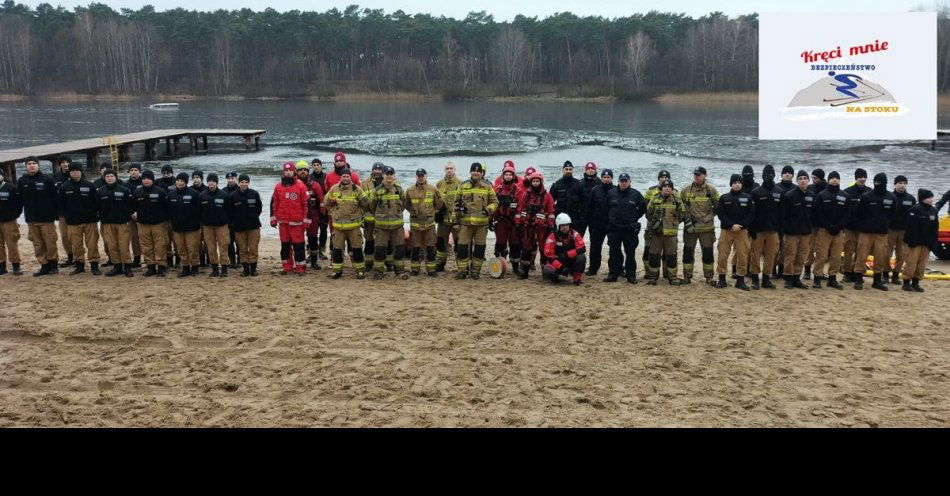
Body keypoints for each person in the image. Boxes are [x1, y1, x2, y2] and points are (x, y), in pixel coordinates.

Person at [853, 172, 897, 291]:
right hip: (866, 232)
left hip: (882, 232)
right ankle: (858, 279)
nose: (878, 184)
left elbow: (893, 214)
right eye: (876, 182)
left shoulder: (891, 197)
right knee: (861, 255)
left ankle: (877, 281)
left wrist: (886, 224)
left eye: (880, 182)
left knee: (880, 256)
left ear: (885, 183)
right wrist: (863, 225)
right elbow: (858, 213)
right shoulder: (866, 196)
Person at [454, 162, 498, 279]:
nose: (476, 173)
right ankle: (463, 271)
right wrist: (455, 221)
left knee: (479, 249)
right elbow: (456, 204)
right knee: (462, 248)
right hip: (465, 224)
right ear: (470, 172)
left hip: (481, 224)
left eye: (478, 172)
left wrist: (489, 209)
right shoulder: (463, 186)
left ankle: (475, 271)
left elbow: (495, 202)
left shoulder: (487, 186)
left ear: (481, 173)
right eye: (473, 171)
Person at [18, 157, 60, 276]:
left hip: (47, 218)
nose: (32, 165)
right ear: (26, 166)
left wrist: (56, 214)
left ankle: (53, 265)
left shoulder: (47, 179)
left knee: (50, 242)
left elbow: (55, 198)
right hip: (31, 218)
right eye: (29, 164)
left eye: (34, 163)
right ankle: (44, 265)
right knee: (37, 244)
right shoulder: (22, 181)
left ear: (38, 165)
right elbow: (19, 200)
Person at [325, 167, 368, 279]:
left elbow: (365, 204)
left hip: (354, 226)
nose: (345, 178)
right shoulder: (334, 189)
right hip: (338, 226)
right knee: (337, 249)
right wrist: (333, 212)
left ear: (350, 177)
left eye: (347, 176)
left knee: (357, 248)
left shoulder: (357, 189)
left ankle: (360, 271)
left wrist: (359, 214)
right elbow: (326, 202)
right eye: (343, 176)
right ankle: (337, 271)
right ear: (341, 177)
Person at [58, 161, 100, 275]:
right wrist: (67, 217)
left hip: (89, 221)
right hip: (73, 222)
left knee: (92, 244)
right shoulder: (64, 187)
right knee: (76, 245)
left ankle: (94, 265)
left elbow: (97, 203)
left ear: (81, 171)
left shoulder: (90, 185)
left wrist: (95, 215)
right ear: (69, 173)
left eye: (77, 170)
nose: (75, 173)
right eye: (72, 171)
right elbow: (61, 205)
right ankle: (79, 266)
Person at [603, 172, 645, 283]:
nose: (624, 183)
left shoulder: (636, 194)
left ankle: (631, 275)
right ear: (618, 182)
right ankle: (613, 274)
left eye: (626, 181)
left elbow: (642, 208)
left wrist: (634, 217)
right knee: (613, 253)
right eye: (622, 181)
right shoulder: (611, 193)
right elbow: (605, 209)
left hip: (629, 229)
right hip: (614, 229)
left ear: (630, 182)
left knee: (630, 253)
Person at [271, 162, 312, 275]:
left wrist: (306, 220)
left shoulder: (300, 185)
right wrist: (273, 218)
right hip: (283, 222)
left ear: (294, 171)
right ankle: (287, 267)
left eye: (290, 170)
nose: (288, 172)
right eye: (286, 170)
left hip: (297, 222)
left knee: (298, 245)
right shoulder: (278, 186)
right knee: (285, 246)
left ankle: (300, 268)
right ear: (283, 172)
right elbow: (274, 203)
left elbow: (307, 204)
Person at [680, 166, 719, 285]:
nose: (696, 177)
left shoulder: (711, 190)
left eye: (699, 174)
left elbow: (718, 207)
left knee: (707, 254)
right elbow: (681, 208)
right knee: (687, 253)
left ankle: (709, 277)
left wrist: (707, 218)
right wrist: (688, 221)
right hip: (690, 228)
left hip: (706, 229)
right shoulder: (686, 190)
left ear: (704, 175)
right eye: (695, 174)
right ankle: (687, 277)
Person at [368, 166, 408, 279]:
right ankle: (379, 271)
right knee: (380, 249)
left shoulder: (399, 190)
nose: (389, 176)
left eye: (391, 174)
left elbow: (404, 204)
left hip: (397, 226)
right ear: (383, 176)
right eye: (387, 174)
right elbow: (371, 208)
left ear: (394, 176)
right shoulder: (376, 191)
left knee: (399, 249)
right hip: (381, 227)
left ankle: (399, 270)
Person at [715, 174, 754, 290]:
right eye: (735, 182)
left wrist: (740, 225)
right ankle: (722, 279)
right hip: (727, 230)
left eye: (739, 183)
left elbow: (751, 214)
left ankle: (740, 280)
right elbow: (720, 214)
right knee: (722, 255)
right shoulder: (724, 197)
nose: (737, 184)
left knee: (742, 256)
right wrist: (731, 225)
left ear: (741, 184)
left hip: (742, 231)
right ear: (731, 184)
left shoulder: (748, 198)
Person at [811, 171, 849, 289]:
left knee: (836, 256)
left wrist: (839, 226)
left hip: (838, 231)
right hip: (824, 230)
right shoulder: (822, 195)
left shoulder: (845, 195)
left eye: (837, 178)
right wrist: (828, 225)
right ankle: (817, 278)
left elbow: (847, 214)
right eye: (832, 178)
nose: (835, 180)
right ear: (827, 180)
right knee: (821, 255)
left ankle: (832, 278)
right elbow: (817, 213)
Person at [645, 178, 685, 285]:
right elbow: (649, 213)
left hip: (671, 235)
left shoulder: (677, 201)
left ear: (672, 189)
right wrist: (655, 225)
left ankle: (672, 277)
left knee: (671, 256)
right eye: (665, 187)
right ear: (661, 188)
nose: (667, 188)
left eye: (669, 187)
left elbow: (682, 215)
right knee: (654, 255)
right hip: (656, 234)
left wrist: (673, 223)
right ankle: (653, 278)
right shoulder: (654, 200)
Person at [516, 171, 554, 279]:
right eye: (534, 181)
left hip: (542, 228)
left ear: (541, 182)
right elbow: (520, 209)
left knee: (543, 249)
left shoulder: (547, 196)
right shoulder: (525, 195)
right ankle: (524, 271)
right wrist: (518, 223)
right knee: (527, 248)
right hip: (528, 226)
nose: (536, 183)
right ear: (531, 182)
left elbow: (551, 212)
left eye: (537, 181)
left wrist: (550, 225)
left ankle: (545, 272)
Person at [749, 165, 782, 289]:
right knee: (755, 255)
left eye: (771, 174)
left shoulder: (779, 192)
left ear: (774, 175)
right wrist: (752, 229)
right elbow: (752, 213)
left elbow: (782, 213)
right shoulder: (756, 192)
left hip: (773, 231)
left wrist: (780, 230)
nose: (769, 176)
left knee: (771, 256)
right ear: (762, 176)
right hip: (758, 230)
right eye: (767, 174)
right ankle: (755, 279)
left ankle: (766, 278)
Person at [405, 168, 443, 276]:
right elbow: (406, 205)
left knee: (430, 247)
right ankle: (415, 270)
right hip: (416, 225)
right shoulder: (409, 190)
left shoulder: (433, 189)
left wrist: (431, 213)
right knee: (415, 247)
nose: (420, 177)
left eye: (422, 175)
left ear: (426, 176)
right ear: (416, 177)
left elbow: (439, 204)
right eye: (418, 176)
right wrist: (413, 212)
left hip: (429, 225)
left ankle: (431, 270)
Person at [97, 169, 134, 277]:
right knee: (112, 245)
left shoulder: (125, 190)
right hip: (107, 223)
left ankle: (127, 267)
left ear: (116, 177)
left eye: (111, 176)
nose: (109, 178)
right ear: (104, 178)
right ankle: (117, 266)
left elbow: (130, 205)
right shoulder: (100, 191)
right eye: (107, 176)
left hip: (122, 223)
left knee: (124, 245)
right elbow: (97, 206)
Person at [780, 170, 815, 289]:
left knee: (802, 256)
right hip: (791, 233)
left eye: (805, 178)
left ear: (808, 181)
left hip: (806, 232)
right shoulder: (789, 195)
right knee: (790, 256)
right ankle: (788, 279)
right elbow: (783, 215)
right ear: (797, 181)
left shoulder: (811, 195)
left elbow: (815, 214)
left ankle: (796, 278)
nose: (803, 180)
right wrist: (786, 229)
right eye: (800, 178)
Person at [132, 169, 170, 277]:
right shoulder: (137, 192)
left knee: (160, 245)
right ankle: (151, 267)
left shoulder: (160, 192)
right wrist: (133, 214)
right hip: (143, 224)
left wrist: (164, 220)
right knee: (146, 246)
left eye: (148, 178)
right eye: (144, 178)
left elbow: (167, 207)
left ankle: (161, 267)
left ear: (152, 179)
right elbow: (133, 206)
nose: (146, 180)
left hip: (158, 224)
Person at [901, 189, 938, 292]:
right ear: (922, 198)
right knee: (911, 263)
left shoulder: (933, 210)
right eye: (928, 198)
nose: (931, 199)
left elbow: (935, 227)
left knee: (921, 265)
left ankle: (916, 282)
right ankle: (906, 283)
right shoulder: (915, 209)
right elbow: (910, 227)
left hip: (926, 243)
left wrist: (933, 242)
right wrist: (911, 241)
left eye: (931, 197)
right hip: (915, 243)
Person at [168, 172, 202, 277]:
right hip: (177, 227)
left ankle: (195, 267)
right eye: (178, 180)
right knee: (181, 249)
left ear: (186, 182)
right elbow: (168, 210)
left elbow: (199, 210)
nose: (179, 182)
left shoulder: (194, 194)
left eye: (182, 181)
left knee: (192, 248)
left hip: (192, 228)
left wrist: (196, 223)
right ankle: (185, 267)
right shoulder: (171, 194)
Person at [228, 174, 263, 277]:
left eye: (246, 182)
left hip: (253, 226)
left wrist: (253, 217)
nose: (244, 184)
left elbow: (259, 208)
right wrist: (234, 223)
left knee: (253, 248)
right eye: (242, 182)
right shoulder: (233, 196)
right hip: (239, 228)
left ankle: (253, 269)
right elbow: (230, 212)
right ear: (239, 183)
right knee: (242, 249)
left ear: (248, 183)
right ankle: (245, 270)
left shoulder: (254, 194)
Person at [492, 162, 523, 274]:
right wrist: (491, 219)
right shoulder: (498, 190)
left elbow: (521, 206)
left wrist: (519, 221)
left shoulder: (518, 191)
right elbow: (494, 205)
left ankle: (515, 267)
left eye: (510, 175)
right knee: (500, 243)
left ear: (513, 176)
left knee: (515, 243)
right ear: (503, 176)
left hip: (513, 221)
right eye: (506, 175)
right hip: (501, 221)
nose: (508, 176)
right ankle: (499, 266)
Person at [199, 173, 231, 277]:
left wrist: (226, 221)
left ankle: (224, 269)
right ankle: (215, 269)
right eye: (209, 181)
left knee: (223, 247)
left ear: (216, 182)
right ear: (207, 182)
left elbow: (229, 210)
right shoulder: (202, 195)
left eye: (213, 181)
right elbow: (199, 211)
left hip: (221, 226)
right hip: (208, 226)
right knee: (211, 248)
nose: (211, 183)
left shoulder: (223, 195)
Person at [643, 170, 675, 273]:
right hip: (652, 228)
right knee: (649, 250)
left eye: (666, 178)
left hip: (669, 229)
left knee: (668, 252)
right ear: (658, 179)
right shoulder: (650, 191)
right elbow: (646, 209)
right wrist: (654, 222)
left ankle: (666, 273)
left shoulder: (675, 193)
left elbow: (680, 211)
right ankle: (649, 272)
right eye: (662, 177)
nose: (664, 179)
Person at [886, 175, 915, 284]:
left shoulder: (911, 198)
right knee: (886, 252)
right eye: (900, 183)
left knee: (901, 253)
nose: (902, 185)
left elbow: (914, 216)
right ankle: (885, 273)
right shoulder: (889, 196)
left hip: (904, 230)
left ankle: (895, 275)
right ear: (895, 184)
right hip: (890, 229)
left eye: (904, 183)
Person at [542, 213, 587, 285]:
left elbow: (582, 248)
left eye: (567, 225)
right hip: (558, 261)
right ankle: (555, 277)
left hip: (570, 261)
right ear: (558, 226)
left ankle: (577, 278)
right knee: (548, 270)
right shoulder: (552, 236)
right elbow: (549, 256)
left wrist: (567, 254)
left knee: (581, 257)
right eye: (563, 225)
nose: (565, 227)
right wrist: (561, 267)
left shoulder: (574, 234)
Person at [585, 168, 614, 277]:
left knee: (614, 248)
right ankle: (593, 269)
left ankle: (615, 269)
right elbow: (588, 207)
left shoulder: (616, 190)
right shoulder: (595, 190)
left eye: (608, 177)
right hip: (597, 224)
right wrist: (590, 222)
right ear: (601, 178)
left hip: (612, 224)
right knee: (595, 248)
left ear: (612, 178)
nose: (606, 179)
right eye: (604, 177)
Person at [841, 168, 869, 282]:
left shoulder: (869, 192)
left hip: (863, 228)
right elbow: (842, 210)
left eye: (864, 177)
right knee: (848, 250)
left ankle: (858, 273)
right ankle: (847, 273)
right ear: (856, 178)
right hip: (849, 227)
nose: (862, 179)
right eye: (860, 177)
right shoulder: (847, 192)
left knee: (861, 251)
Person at [296, 162, 325, 270]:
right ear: (296, 172)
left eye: (305, 169)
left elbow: (322, 201)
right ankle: (300, 262)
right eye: (300, 170)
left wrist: (322, 216)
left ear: (308, 172)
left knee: (313, 239)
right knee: (298, 240)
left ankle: (314, 262)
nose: (303, 171)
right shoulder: (293, 185)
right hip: (297, 216)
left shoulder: (315, 185)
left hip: (312, 216)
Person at [550, 160, 588, 241]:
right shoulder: (557, 184)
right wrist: (552, 216)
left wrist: (583, 218)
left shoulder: (579, 184)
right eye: (566, 169)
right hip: (561, 218)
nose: (568, 171)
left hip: (575, 218)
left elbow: (585, 202)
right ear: (563, 170)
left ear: (573, 170)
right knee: (560, 240)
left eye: (570, 169)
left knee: (575, 241)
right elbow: (550, 202)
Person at [435, 162, 461, 271]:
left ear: (454, 170)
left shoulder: (460, 183)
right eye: (447, 168)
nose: (449, 170)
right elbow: (434, 201)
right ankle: (440, 264)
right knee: (441, 244)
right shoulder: (439, 184)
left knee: (459, 244)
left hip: (456, 221)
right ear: (444, 170)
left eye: (451, 168)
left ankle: (461, 266)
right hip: (443, 221)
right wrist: (436, 213)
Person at [801, 168, 826, 280]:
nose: (813, 180)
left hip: (822, 224)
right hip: (810, 224)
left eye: (815, 178)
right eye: (812, 178)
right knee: (809, 248)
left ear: (821, 178)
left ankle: (820, 272)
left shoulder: (826, 189)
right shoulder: (810, 188)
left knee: (821, 249)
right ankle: (807, 271)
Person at [361, 162, 385, 271]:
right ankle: (368, 263)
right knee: (369, 241)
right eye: (375, 169)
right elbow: (362, 200)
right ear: (372, 170)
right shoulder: (365, 183)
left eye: (379, 169)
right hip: (369, 219)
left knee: (382, 242)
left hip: (383, 219)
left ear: (382, 171)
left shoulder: (389, 183)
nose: (377, 171)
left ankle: (384, 264)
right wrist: (361, 218)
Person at [0, 167, 23, 275]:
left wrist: (15, 216)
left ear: (2, 176)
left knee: (12, 243)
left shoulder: (10, 188)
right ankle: (2, 267)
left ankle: (16, 266)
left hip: (9, 221)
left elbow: (18, 204)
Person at [52, 156, 73, 268]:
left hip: (75, 212)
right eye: (63, 163)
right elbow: (52, 195)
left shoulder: (75, 174)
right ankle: (70, 257)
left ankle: (78, 258)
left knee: (75, 236)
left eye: (67, 162)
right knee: (65, 236)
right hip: (61, 212)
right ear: (59, 165)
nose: (65, 164)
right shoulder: (55, 177)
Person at [158, 164, 178, 267]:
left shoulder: (177, 182)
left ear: (172, 173)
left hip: (175, 217)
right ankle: (169, 260)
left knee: (176, 240)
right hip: (162, 217)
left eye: (168, 173)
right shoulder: (158, 182)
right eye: (164, 173)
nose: (166, 175)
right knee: (165, 240)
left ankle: (178, 259)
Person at [310, 158, 330, 260]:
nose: (316, 166)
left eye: (318, 164)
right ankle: (311, 251)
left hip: (324, 207)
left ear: (321, 166)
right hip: (312, 208)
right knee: (312, 231)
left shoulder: (326, 177)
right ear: (312, 167)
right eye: (314, 165)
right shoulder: (309, 178)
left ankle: (322, 251)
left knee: (323, 230)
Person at [124, 163, 143, 269]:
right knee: (134, 238)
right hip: (131, 216)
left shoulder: (145, 182)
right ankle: (137, 259)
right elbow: (125, 202)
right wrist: (131, 213)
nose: (133, 172)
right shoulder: (125, 184)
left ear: (140, 171)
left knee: (146, 238)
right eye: (131, 170)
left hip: (144, 215)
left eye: (136, 170)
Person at [223, 172, 241, 269]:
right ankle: (232, 261)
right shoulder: (223, 191)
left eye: (233, 178)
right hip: (227, 222)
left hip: (239, 221)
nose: (231, 180)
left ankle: (240, 261)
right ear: (227, 180)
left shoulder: (240, 190)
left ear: (236, 179)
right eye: (229, 178)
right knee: (229, 243)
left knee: (239, 242)